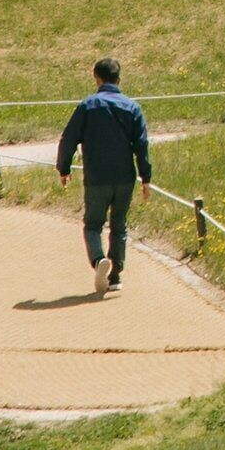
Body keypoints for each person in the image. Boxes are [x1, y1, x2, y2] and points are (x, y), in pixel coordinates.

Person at [55, 58, 152, 295]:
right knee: (119, 225)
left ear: (96, 78)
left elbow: (68, 139)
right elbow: (141, 144)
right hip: (124, 177)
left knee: (93, 225)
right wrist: (145, 178)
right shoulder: (132, 107)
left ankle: (99, 261)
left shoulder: (88, 106)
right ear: (119, 79)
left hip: (96, 176)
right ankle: (116, 274)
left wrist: (64, 169)